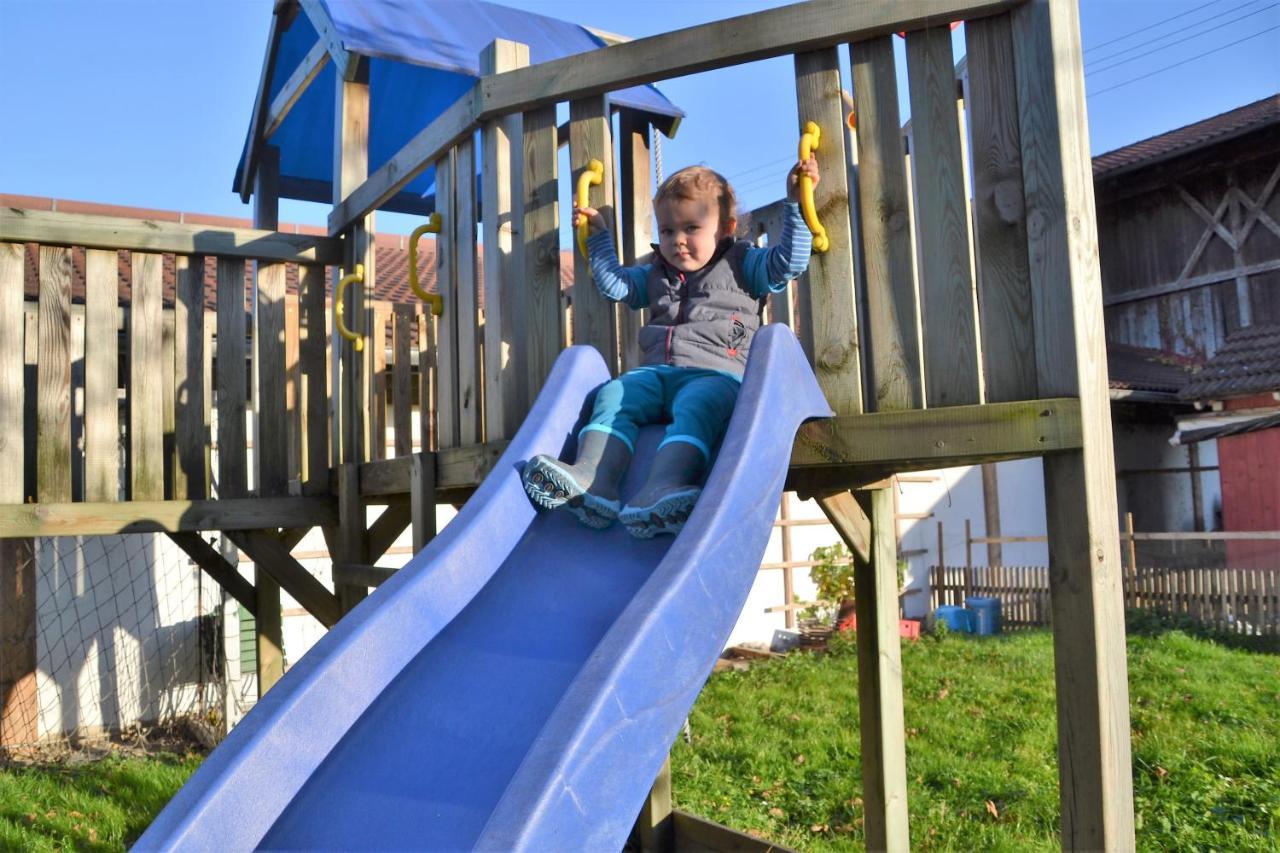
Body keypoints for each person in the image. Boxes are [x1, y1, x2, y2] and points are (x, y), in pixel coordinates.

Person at [522, 158, 820, 538]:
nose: (677, 239)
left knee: (698, 406)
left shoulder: (743, 263)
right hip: (657, 373)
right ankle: (594, 484)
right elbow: (616, 286)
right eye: (667, 230)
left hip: (715, 374)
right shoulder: (656, 272)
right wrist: (597, 238)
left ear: (725, 228)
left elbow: (788, 263)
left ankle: (663, 487)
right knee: (615, 393)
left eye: (691, 228)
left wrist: (796, 204)